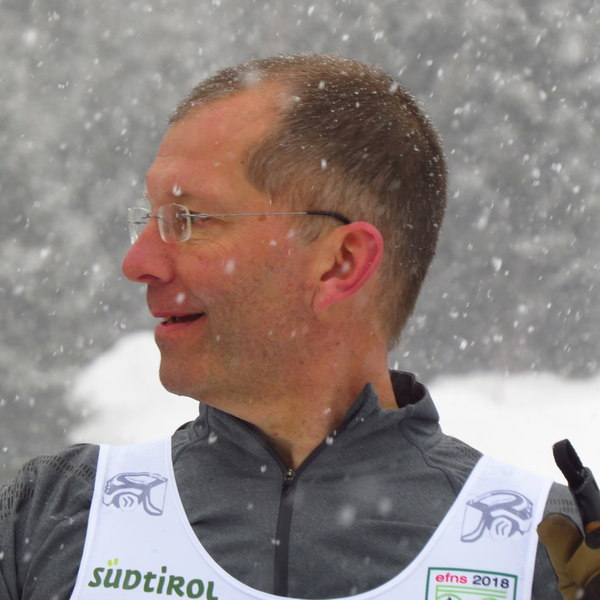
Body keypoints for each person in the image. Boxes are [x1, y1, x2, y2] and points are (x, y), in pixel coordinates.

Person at [0, 53, 591, 600]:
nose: (137, 263)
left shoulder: (549, 553)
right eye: (149, 219)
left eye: (190, 218)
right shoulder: (54, 517)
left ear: (341, 263)